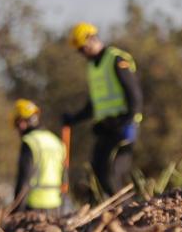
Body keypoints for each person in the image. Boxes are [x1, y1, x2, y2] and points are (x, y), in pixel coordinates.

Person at [60, 22, 143, 197]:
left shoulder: (116, 60)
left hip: (123, 128)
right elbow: (94, 105)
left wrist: (127, 122)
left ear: (92, 39)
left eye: (83, 48)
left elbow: (134, 95)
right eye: (80, 51)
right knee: (97, 172)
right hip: (105, 128)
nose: (82, 53)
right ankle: (113, 211)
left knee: (112, 173)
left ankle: (127, 211)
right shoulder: (92, 68)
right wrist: (74, 119)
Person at [10, 99, 66, 213]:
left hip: (33, 207)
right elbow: (64, 177)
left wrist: (16, 211)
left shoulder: (30, 142)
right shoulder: (56, 141)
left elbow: (23, 180)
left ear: (21, 122)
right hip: (55, 206)